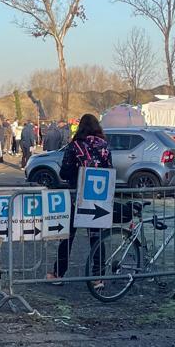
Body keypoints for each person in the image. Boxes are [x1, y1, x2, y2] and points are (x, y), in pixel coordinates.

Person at [48, 113, 113, 282]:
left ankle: (58, 274)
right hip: (98, 196)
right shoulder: (104, 146)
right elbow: (110, 169)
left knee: (67, 237)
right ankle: (98, 277)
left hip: (76, 196)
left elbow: (64, 172)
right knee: (96, 237)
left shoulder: (75, 146)